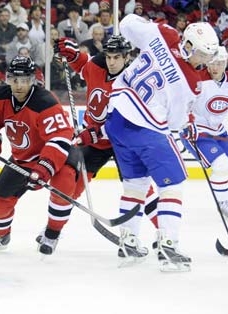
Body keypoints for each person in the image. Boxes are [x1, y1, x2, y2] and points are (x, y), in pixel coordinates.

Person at [102, 14, 219, 272]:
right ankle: (168, 245)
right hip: (145, 126)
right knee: (174, 183)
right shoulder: (192, 82)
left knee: (136, 183)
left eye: (208, 56)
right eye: (201, 54)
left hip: (117, 118)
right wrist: (187, 125)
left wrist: (149, 25)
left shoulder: (164, 35)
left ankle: (128, 242)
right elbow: (175, 123)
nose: (205, 61)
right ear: (188, 45)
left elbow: (127, 24)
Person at [54, 35, 160, 253]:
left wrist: (92, 134)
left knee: (139, 188)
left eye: (117, 58)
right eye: (108, 57)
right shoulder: (97, 66)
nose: (111, 62)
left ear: (127, 57)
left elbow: (124, 121)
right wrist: (71, 53)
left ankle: (163, 233)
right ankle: (53, 231)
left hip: (124, 141)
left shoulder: (134, 81)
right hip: (95, 142)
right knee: (71, 179)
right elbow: (83, 64)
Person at [0, 56, 80, 255]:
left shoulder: (45, 102)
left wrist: (45, 166)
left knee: (64, 185)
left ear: (33, 80)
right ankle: (0, 235)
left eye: (24, 80)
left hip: (56, 157)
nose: (19, 85)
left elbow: (59, 137)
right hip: (22, 159)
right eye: (14, 80)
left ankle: (52, 233)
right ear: (7, 79)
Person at [180, 46, 228, 221]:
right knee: (221, 164)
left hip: (218, 130)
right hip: (196, 131)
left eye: (220, 63)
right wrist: (186, 122)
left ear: (225, 63)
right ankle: (223, 203)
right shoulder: (197, 80)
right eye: (212, 63)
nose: (215, 67)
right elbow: (184, 104)